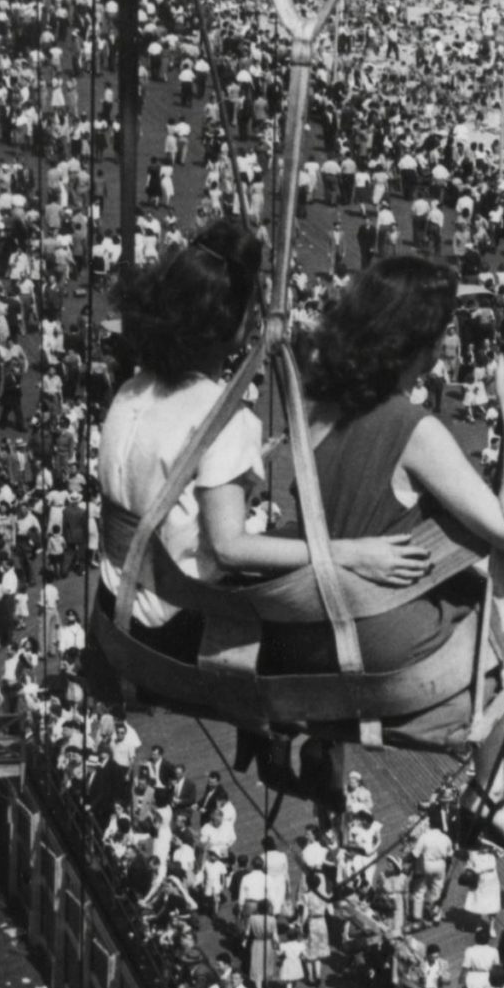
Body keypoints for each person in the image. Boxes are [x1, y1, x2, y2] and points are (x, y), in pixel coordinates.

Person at [99, 220, 429, 660]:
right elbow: (229, 547)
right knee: (347, 625)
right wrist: (352, 553)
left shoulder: (131, 391)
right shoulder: (222, 417)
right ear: (235, 320)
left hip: (115, 601)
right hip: (174, 624)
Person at [263, 253, 504, 688]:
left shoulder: (319, 409)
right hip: (376, 629)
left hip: (306, 620)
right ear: (418, 343)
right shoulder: (412, 428)